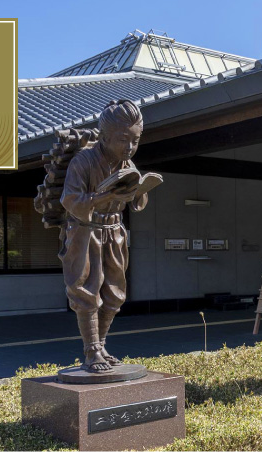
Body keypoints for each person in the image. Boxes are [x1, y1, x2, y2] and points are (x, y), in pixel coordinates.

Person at [59, 99, 148, 372]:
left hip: (114, 232)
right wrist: (103, 196)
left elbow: (138, 203)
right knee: (85, 290)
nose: (130, 147)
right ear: (106, 136)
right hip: (85, 232)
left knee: (115, 293)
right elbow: (70, 199)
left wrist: (139, 189)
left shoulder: (128, 163)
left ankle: (103, 344)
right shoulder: (83, 162)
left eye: (135, 140)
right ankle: (91, 349)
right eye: (123, 140)